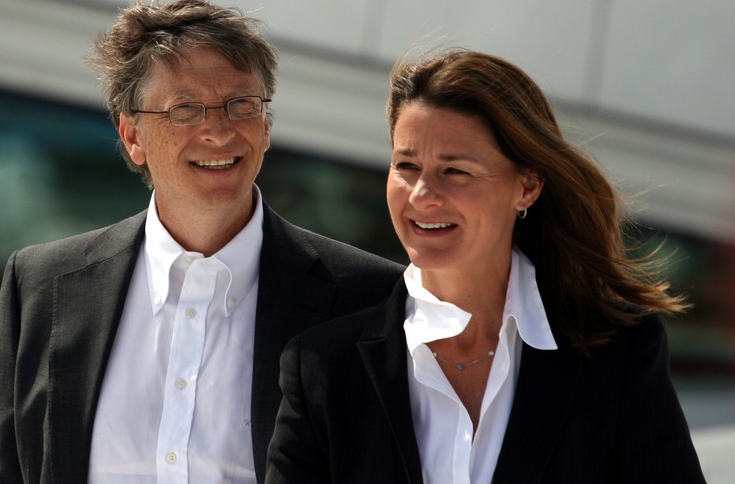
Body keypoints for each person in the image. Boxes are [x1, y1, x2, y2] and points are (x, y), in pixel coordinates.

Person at [0, 0, 403, 484]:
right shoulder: (42, 285)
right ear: (132, 136)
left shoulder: (369, 300)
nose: (218, 131)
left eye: (241, 104)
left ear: (266, 126)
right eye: (185, 109)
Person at [265, 49, 706, 483]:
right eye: (406, 165)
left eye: (455, 171)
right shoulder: (321, 366)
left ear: (527, 186)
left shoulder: (619, 352)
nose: (421, 194)